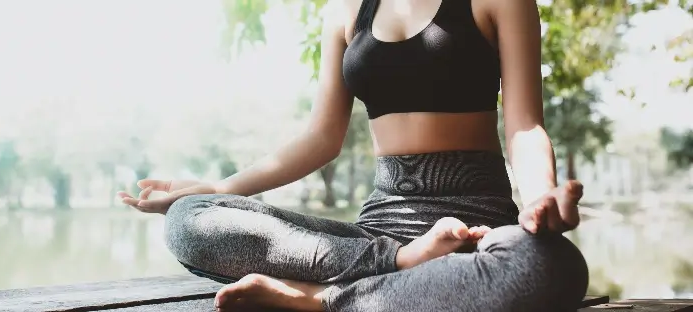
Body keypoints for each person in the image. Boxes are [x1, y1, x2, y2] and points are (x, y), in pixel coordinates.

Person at [119, 0, 589, 310]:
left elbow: (524, 126)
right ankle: (400, 265)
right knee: (189, 220)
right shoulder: (346, 9)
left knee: (548, 265)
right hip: (376, 236)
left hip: (474, 225)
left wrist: (538, 200)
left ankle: (319, 301)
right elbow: (322, 137)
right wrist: (219, 189)